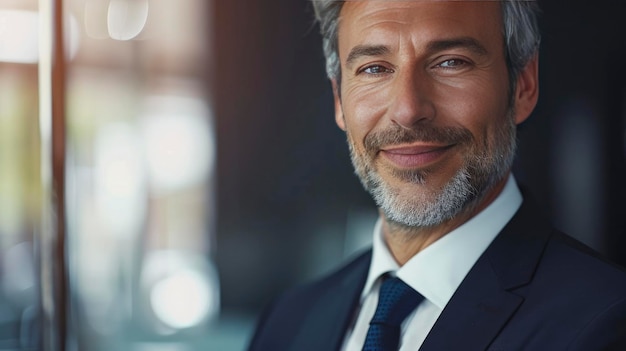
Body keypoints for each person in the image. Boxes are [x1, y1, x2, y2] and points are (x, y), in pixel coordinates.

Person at [248, 1, 626, 350]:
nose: (408, 109)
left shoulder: (605, 322)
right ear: (339, 101)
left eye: (450, 62)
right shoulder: (287, 321)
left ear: (523, 86)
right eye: (374, 68)